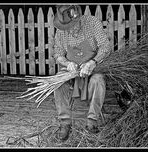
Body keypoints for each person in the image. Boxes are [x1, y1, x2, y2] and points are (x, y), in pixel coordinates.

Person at [53, 5, 112, 141]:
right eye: (66, 26)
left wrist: (93, 62)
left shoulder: (92, 23)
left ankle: (92, 122)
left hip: (93, 67)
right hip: (72, 69)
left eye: (72, 25)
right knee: (58, 81)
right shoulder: (61, 30)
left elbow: (105, 47)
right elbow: (57, 53)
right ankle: (65, 122)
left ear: (78, 18)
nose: (69, 29)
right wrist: (67, 63)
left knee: (98, 81)